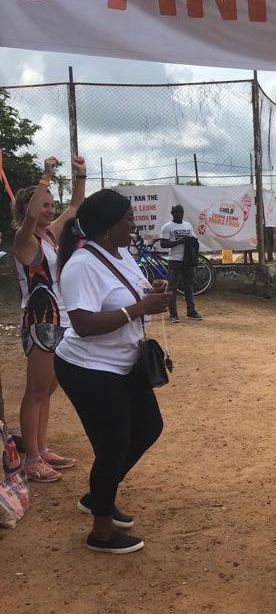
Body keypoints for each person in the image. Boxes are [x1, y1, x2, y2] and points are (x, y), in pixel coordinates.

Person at [54, 189, 171, 554]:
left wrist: (150, 292)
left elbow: (128, 296)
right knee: (113, 446)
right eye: (128, 219)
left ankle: (98, 496)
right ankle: (101, 532)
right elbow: (84, 324)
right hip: (88, 368)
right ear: (108, 226)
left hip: (123, 362)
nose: (134, 225)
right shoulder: (81, 265)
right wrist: (139, 308)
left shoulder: (120, 255)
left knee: (148, 427)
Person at [12, 154, 87, 483]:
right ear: (30, 208)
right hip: (40, 319)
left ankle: (41, 449)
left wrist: (81, 176)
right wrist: (46, 176)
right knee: (36, 390)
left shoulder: (52, 235)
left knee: (48, 389)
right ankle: (31, 459)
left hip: (61, 318)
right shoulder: (24, 240)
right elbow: (30, 216)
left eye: (51, 203)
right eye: (45, 204)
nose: (50, 209)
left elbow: (74, 207)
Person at [159, 204, 202, 323]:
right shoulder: (167, 227)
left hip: (187, 260)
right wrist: (181, 241)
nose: (180, 214)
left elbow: (194, 239)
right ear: (172, 213)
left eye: (181, 212)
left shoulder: (188, 225)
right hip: (174, 260)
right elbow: (163, 244)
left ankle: (191, 311)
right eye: (177, 212)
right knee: (172, 287)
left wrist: (191, 241)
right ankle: (173, 314)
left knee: (188, 285)